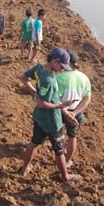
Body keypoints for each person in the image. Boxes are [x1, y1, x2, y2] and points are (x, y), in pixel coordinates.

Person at [18, 48, 82, 182]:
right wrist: (61, 106)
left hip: (39, 117)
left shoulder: (39, 68)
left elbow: (23, 77)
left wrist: (35, 92)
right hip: (52, 120)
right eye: (62, 66)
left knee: (34, 143)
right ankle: (66, 176)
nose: (63, 70)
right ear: (55, 61)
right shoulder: (49, 80)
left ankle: (24, 169)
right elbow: (42, 103)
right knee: (59, 150)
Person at [56, 50, 92, 168]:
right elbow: (87, 98)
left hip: (60, 111)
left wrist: (66, 112)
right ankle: (67, 161)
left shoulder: (60, 77)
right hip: (76, 113)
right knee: (72, 137)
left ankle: (36, 144)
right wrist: (75, 112)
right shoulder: (84, 78)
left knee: (52, 132)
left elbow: (56, 99)